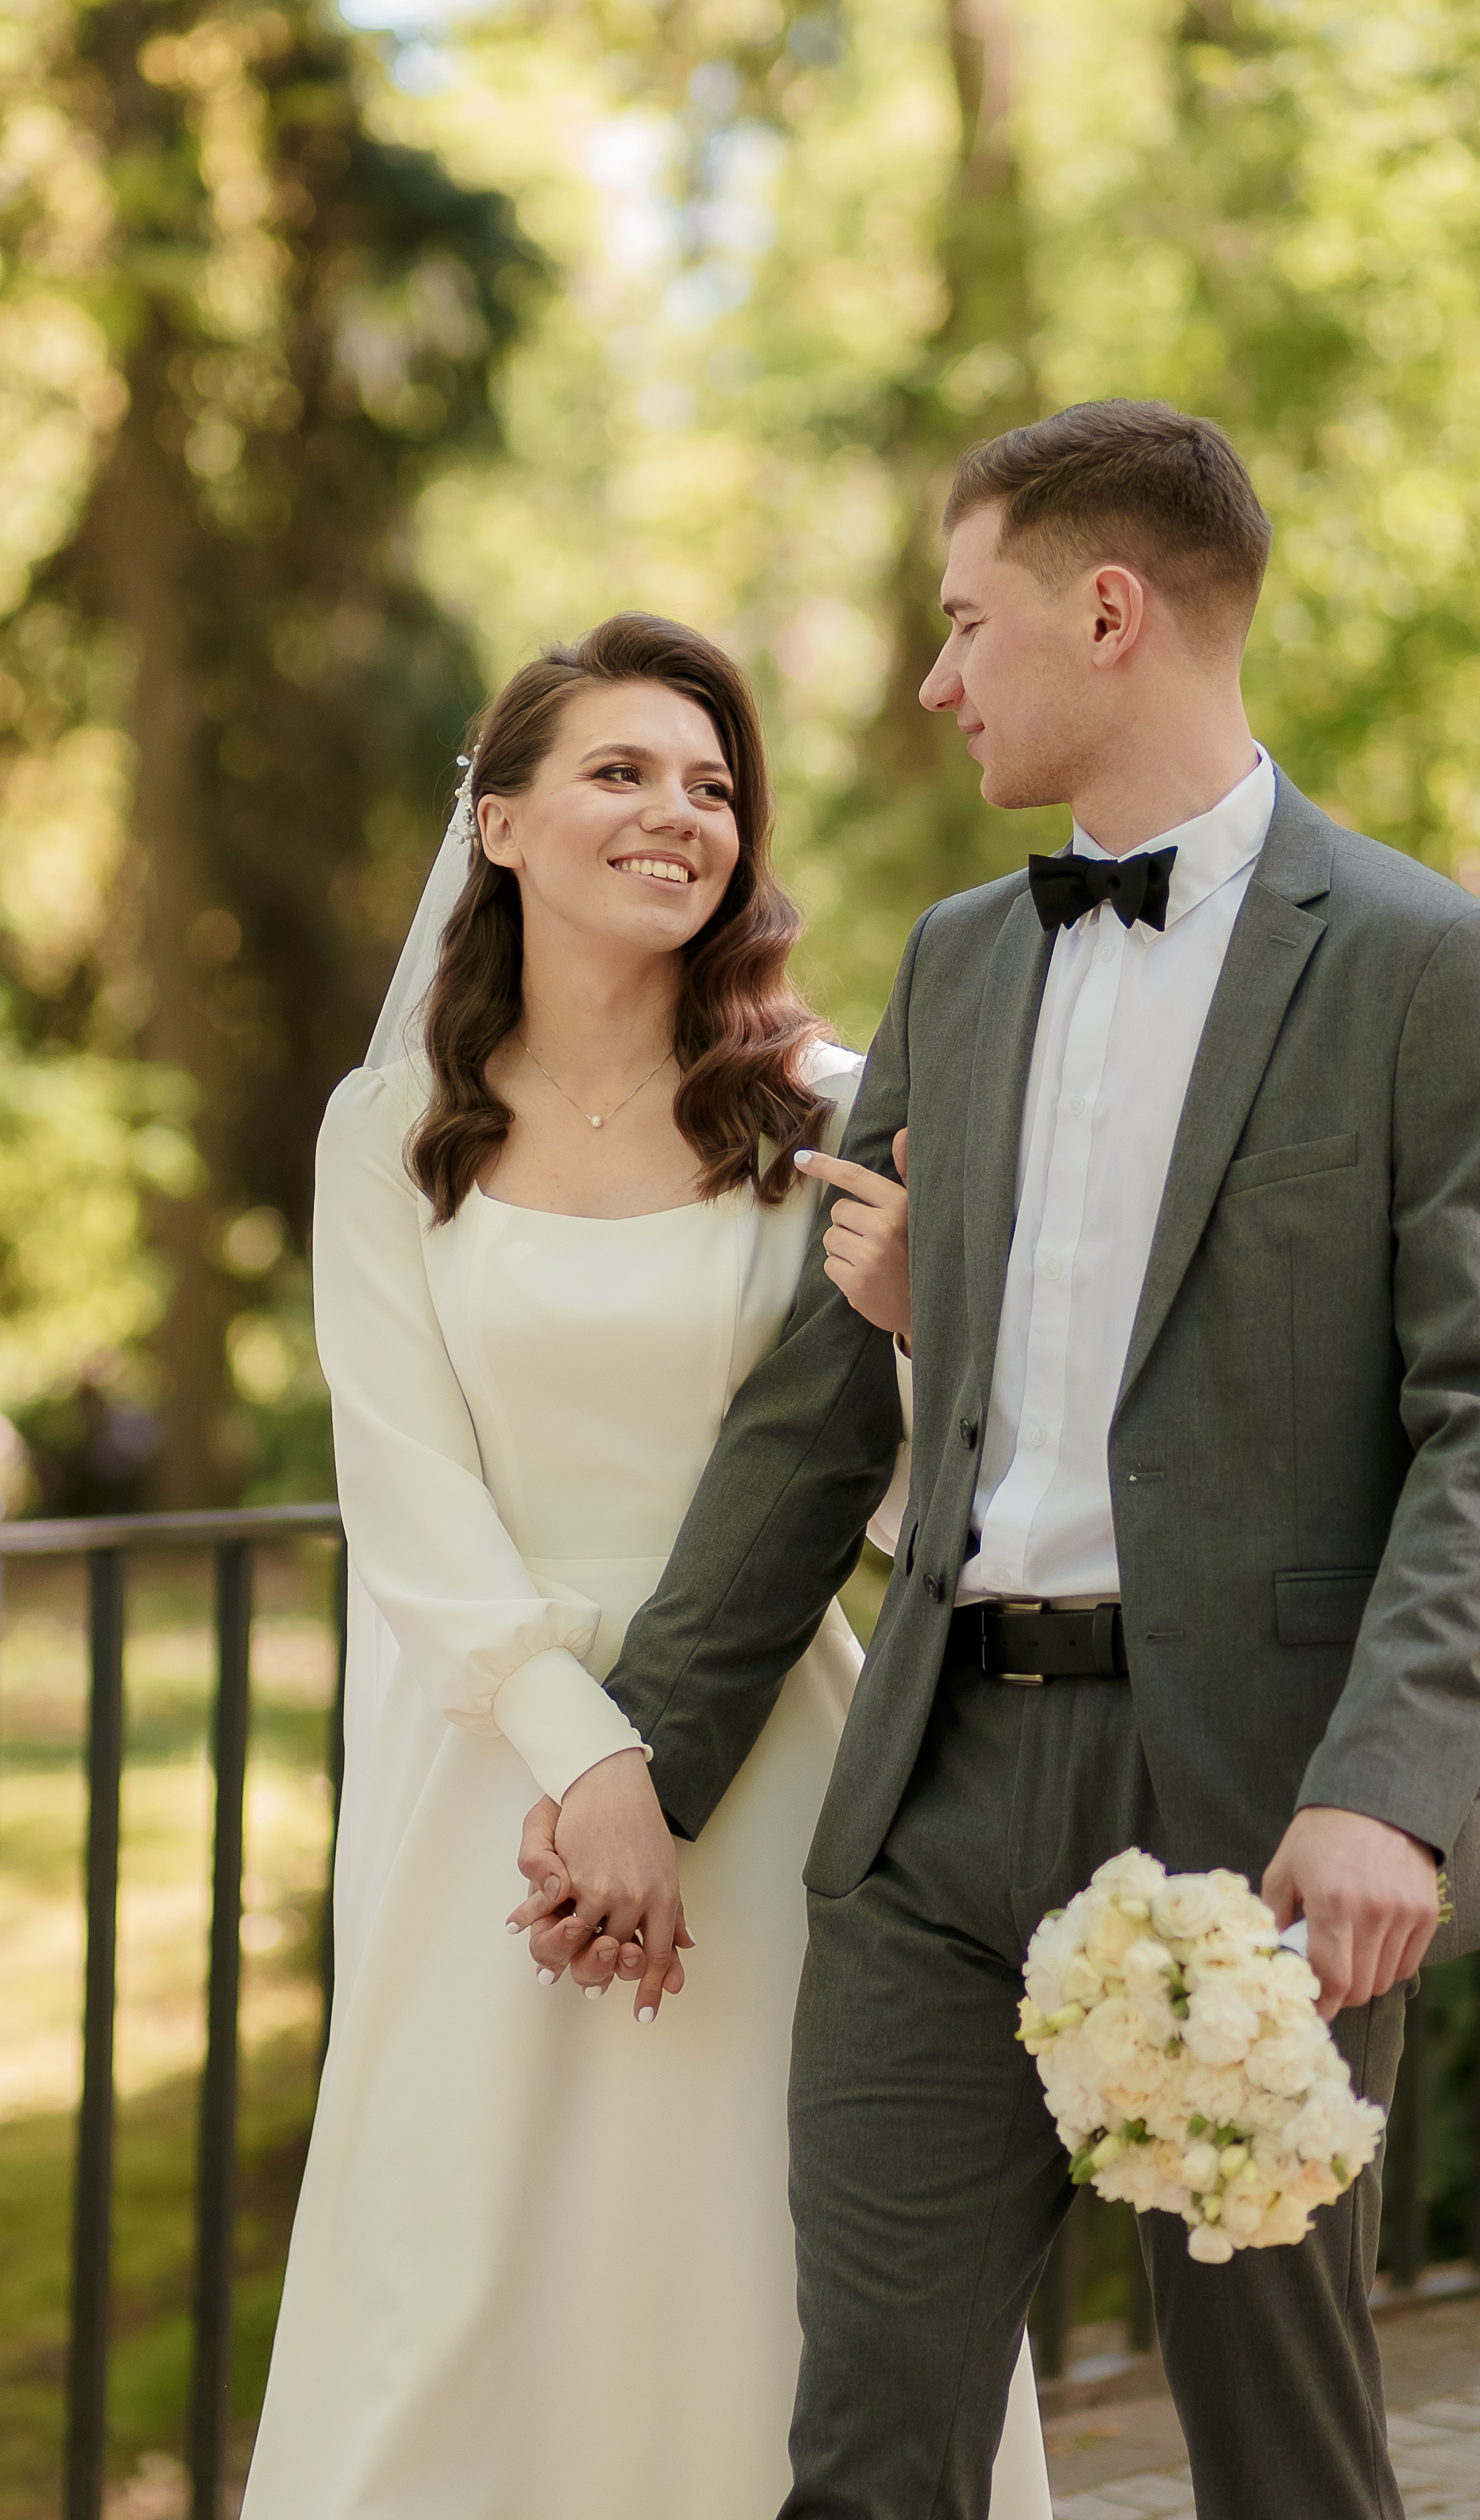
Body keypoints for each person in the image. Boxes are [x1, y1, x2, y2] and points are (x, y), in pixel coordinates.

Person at [519, 406, 1480, 2519]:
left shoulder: (1419, 964)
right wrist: (644, 1754)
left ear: (1109, 615)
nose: (937, 680)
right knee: (870, 2447)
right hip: (932, 1802)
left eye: (966, 624)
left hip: (1256, 1809)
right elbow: (823, 1417)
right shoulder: (956, 963)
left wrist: (1388, 1784)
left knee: (1279, 2445)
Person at [240, 612, 1051, 2520]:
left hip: (772, 1761)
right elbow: (410, 1495)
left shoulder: (837, 1112)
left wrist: (928, 1323)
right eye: (619, 771)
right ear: (501, 824)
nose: (676, 813)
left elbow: (926, 1488)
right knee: (446, 2274)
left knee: (771, 2270)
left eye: (710, 785)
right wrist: (591, 1764)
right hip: (490, 1788)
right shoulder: (389, 1134)